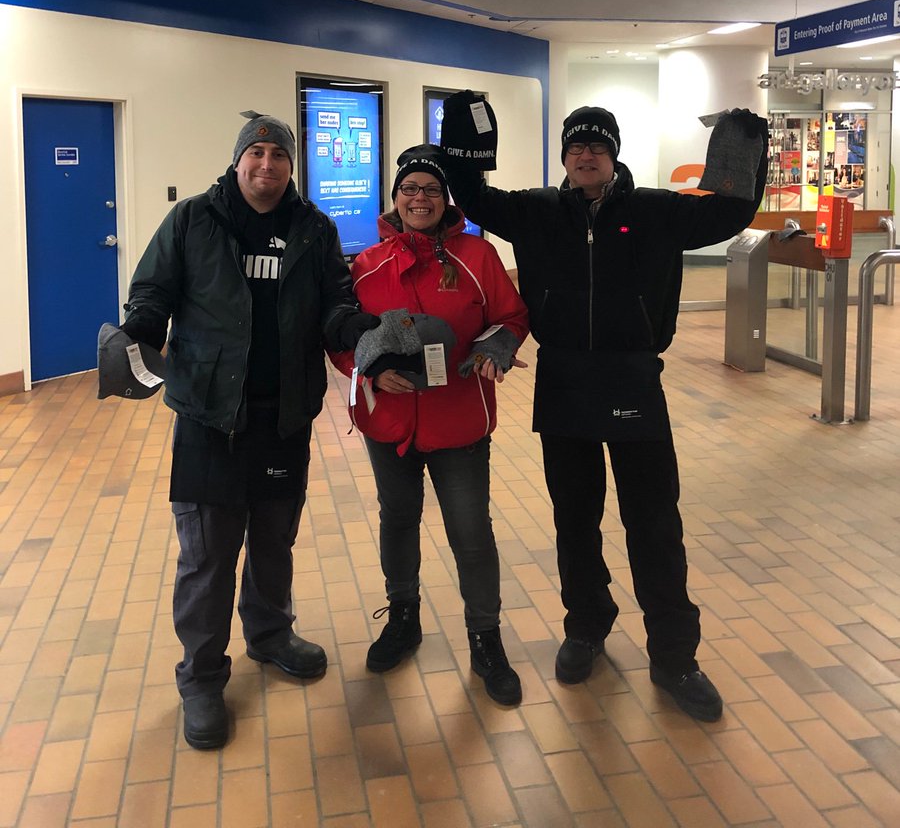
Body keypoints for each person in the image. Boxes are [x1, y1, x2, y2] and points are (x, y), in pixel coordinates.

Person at [437, 97, 768, 722]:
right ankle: (587, 626)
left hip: (634, 380)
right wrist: (463, 136)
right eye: (575, 145)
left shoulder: (657, 212)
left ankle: (675, 657)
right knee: (575, 519)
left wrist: (745, 146)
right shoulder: (534, 212)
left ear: (614, 154)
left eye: (597, 144)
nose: (585, 154)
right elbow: (472, 196)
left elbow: (729, 210)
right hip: (563, 383)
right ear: (564, 155)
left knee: (653, 525)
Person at [120, 112, 377, 749]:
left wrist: (363, 333)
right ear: (238, 161)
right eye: (256, 153)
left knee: (272, 539)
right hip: (210, 418)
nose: (267, 165)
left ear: (292, 166)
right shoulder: (193, 221)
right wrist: (141, 335)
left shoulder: (313, 228)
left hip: (284, 416)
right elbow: (152, 292)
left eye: (278, 155)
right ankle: (201, 677)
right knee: (207, 556)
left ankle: (269, 634)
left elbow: (336, 304)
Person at [330, 145, 530, 706]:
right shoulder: (367, 264)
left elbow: (511, 316)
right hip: (388, 422)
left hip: (460, 420)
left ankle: (486, 640)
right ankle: (403, 618)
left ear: (446, 201)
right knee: (397, 520)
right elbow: (342, 337)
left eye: (430, 191)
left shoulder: (477, 255)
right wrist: (367, 371)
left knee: (470, 531)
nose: (419, 199)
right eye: (409, 190)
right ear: (394, 199)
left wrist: (498, 347)